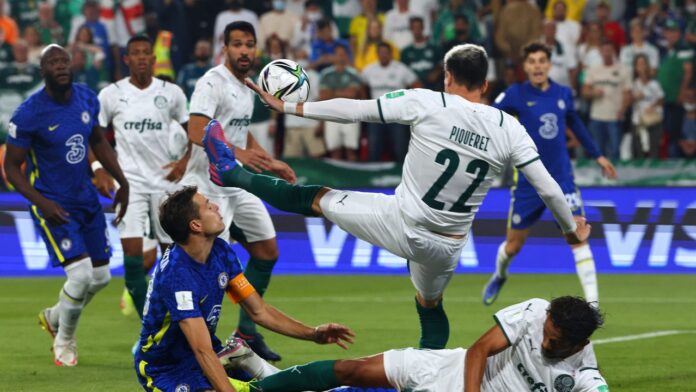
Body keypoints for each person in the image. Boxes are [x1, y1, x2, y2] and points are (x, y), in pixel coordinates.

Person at [204, 43, 592, 350]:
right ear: (485, 85)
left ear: (447, 77)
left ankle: (231, 172)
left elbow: (355, 110)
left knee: (315, 197)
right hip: (446, 247)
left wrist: (289, 106)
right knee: (429, 305)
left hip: (399, 219)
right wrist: (570, 228)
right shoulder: (509, 128)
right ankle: (428, 366)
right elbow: (547, 186)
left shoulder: (426, 101)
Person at [134, 186, 354, 392]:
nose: (217, 207)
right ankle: (246, 359)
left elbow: (259, 311)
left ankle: (244, 359)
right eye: (209, 206)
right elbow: (201, 349)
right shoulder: (178, 275)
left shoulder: (220, 250)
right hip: (165, 368)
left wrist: (313, 334)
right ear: (196, 225)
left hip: (209, 353)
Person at [3, 44, 129, 366]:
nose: (59, 65)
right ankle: (65, 341)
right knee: (81, 276)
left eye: (63, 60)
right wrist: (41, 203)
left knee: (101, 278)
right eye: (52, 62)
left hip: (86, 200)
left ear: (71, 65)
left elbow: (98, 141)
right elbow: (11, 168)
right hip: (54, 204)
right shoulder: (29, 114)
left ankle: (55, 316)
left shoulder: (87, 97)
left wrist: (122, 181)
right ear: (42, 71)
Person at [182, 21, 296, 362]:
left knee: (267, 250)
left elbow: (240, 133)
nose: (244, 50)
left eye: (249, 44)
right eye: (237, 44)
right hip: (208, 187)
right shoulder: (212, 82)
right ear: (225, 48)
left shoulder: (247, 85)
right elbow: (196, 128)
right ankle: (198, 347)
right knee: (209, 270)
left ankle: (245, 334)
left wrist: (267, 160)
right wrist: (240, 154)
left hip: (236, 182)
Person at [227, 296, 609, 392]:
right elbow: (479, 350)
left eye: (554, 341)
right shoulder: (536, 312)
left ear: (579, 344)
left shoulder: (583, 372)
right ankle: (253, 386)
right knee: (353, 369)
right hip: (449, 369)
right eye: (546, 331)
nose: (544, 341)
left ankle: (250, 364)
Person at [485, 42, 616, 307]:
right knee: (513, 246)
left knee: (577, 238)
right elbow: (489, 118)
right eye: (532, 61)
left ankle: (592, 305)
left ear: (549, 64)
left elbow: (576, 124)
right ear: (525, 67)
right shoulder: (515, 94)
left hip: (562, 180)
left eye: (542, 60)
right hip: (527, 182)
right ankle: (499, 274)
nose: (537, 66)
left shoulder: (563, 93)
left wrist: (597, 155)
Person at [97, 35, 190, 319]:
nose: (140, 57)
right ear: (126, 59)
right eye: (134, 53)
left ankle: (175, 321)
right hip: (129, 185)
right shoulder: (110, 94)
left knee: (171, 259)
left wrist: (184, 162)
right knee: (134, 261)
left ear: (153, 59)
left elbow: (194, 133)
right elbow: (96, 136)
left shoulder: (172, 93)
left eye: (145, 53)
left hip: (166, 185)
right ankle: (147, 329)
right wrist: (99, 169)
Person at [582, 40, 632, 160]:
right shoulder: (593, 70)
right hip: (597, 116)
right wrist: (594, 92)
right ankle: (599, 177)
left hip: (614, 116)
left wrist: (623, 110)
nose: (607, 53)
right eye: (604, 51)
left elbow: (627, 93)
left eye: (609, 50)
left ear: (614, 52)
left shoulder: (623, 69)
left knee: (615, 150)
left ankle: (615, 176)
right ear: (601, 52)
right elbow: (584, 91)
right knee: (598, 151)